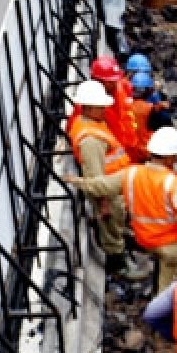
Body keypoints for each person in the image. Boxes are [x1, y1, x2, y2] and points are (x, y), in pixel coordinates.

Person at [67, 127, 177, 292]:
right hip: (169, 245)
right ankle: (159, 311)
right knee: (168, 289)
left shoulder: (131, 173)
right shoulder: (173, 182)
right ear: (170, 158)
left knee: (161, 266)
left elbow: (100, 186)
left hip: (144, 239)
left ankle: (156, 293)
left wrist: (76, 181)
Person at [66, 80, 135, 277]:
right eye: (100, 107)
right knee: (112, 230)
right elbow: (95, 178)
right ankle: (119, 266)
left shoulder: (92, 123)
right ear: (88, 108)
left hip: (115, 187)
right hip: (109, 193)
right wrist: (103, 204)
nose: (105, 109)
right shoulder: (90, 141)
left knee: (117, 224)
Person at [129, 71, 173, 148]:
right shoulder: (149, 109)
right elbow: (165, 121)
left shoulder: (125, 105)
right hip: (145, 150)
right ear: (149, 90)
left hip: (128, 149)